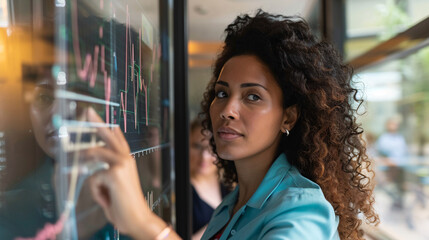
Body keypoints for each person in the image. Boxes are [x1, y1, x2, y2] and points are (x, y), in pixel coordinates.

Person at [86, 10, 379, 240]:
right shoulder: (231, 206)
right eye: (222, 93)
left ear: (288, 117)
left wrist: (144, 223)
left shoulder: (301, 210)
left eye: (252, 96)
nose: (227, 110)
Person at [189, 119, 231, 240]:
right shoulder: (178, 190)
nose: (204, 156)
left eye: (212, 148)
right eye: (197, 146)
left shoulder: (230, 185)